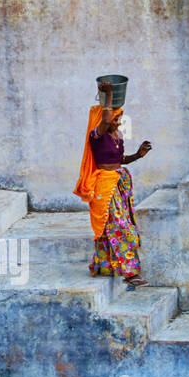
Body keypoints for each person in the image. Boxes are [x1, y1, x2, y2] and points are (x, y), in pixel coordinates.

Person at [73, 79, 153, 288]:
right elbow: (106, 118)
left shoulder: (116, 136)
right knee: (120, 228)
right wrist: (108, 94)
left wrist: (138, 155)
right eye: (116, 117)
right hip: (104, 187)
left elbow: (120, 160)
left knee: (116, 227)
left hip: (119, 184)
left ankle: (103, 266)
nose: (119, 120)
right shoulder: (96, 135)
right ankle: (129, 273)